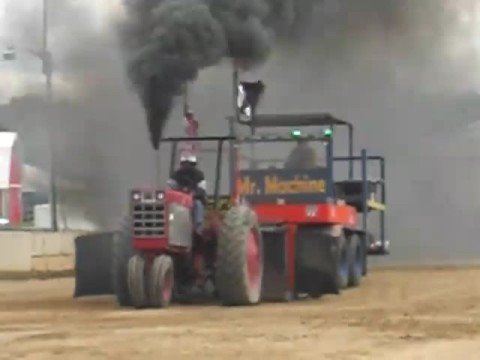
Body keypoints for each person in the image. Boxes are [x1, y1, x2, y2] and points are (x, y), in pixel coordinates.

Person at [168, 153, 207, 234]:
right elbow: (171, 187)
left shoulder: (199, 175)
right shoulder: (176, 175)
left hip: (194, 199)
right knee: (170, 206)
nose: (186, 166)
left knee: (198, 204)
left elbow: (201, 189)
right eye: (184, 163)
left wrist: (193, 193)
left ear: (193, 165)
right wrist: (180, 192)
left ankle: (197, 226)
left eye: (188, 164)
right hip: (178, 200)